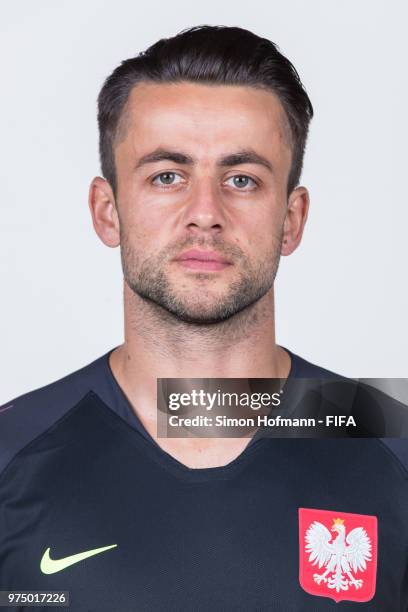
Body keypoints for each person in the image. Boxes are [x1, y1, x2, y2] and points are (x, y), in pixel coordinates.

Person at [0, 25, 407, 611]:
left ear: (292, 219)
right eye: (167, 176)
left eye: (242, 179)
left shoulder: (391, 439)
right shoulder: (12, 456)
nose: (205, 213)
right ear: (107, 210)